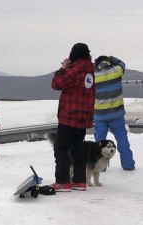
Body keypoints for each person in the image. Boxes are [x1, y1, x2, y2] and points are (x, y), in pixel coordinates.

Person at [50, 43, 95, 192]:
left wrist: (63, 68)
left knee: (61, 149)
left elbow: (57, 84)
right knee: (78, 149)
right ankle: (80, 181)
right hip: (83, 118)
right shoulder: (90, 71)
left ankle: (63, 182)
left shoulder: (74, 70)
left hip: (69, 116)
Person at [93, 55, 135, 171]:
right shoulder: (116, 71)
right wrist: (113, 59)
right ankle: (128, 164)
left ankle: (101, 167)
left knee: (100, 142)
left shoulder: (93, 76)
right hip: (117, 115)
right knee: (122, 139)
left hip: (100, 116)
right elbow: (122, 64)